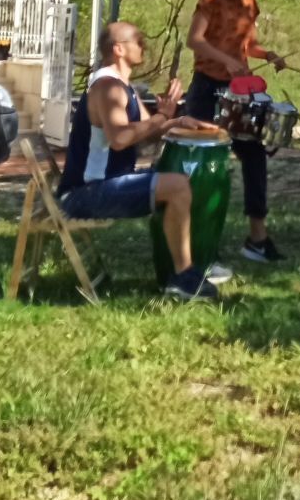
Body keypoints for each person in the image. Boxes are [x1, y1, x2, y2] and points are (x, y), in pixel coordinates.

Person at [58, 20, 227, 301]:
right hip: (86, 193)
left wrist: (176, 118)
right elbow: (121, 138)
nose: (144, 45)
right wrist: (163, 118)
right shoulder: (108, 88)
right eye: (137, 40)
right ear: (118, 49)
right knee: (177, 186)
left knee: (178, 181)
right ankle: (184, 276)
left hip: (103, 185)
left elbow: (150, 131)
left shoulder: (123, 87)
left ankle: (189, 264)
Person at [182, 0, 286, 263]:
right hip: (206, 88)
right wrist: (224, 59)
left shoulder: (250, 5)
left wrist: (267, 54)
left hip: (238, 92)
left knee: (254, 156)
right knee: (201, 163)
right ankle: (190, 237)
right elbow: (194, 40)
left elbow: (247, 46)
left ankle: (257, 239)